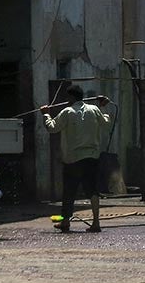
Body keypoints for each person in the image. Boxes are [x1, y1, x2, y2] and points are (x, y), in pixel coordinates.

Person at [41, 85, 112, 233]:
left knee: (69, 190)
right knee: (92, 190)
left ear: (71, 97)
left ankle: (65, 221)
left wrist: (46, 114)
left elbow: (52, 128)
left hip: (73, 159)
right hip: (92, 157)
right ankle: (96, 222)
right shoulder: (94, 109)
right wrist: (103, 107)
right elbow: (106, 123)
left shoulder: (67, 112)